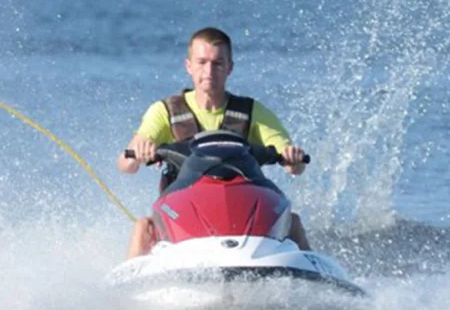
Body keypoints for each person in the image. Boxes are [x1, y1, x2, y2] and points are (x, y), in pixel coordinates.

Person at [117, 26, 312, 259]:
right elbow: (126, 165)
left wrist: (292, 158)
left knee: (292, 221)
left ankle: (319, 284)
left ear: (229, 68)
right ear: (188, 66)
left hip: (243, 210)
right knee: (143, 226)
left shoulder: (252, 112)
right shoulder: (165, 112)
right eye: (202, 62)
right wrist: (139, 152)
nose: (209, 71)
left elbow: (295, 167)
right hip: (183, 215)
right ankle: (124, 290)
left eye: (218, 63)